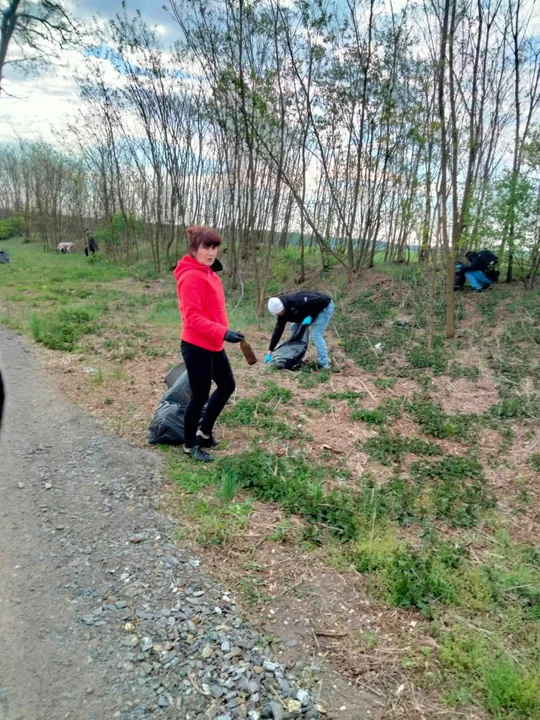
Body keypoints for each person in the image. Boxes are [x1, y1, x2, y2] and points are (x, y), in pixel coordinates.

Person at [174, 226, 244, 462]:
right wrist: (224, 332)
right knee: (200, 396)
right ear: (194, 248)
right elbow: (191, 318)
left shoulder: (208, 273)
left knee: (227, 386)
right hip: (196, 346)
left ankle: (204, 432)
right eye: (206, 247)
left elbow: (213, 309)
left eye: (215, 247)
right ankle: (189, 444)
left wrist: (223, 333)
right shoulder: (191, 276)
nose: (211, 252)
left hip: (213, 344)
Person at [266, 291, 334, 369]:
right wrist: (270, 351)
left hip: (323, 308)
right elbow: (278, 331)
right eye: (277, 314)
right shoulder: (282, 315)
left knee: (316, 335)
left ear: (283, 307)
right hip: (307, 314)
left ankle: (324, 365)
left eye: (279, 313)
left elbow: (324, 300)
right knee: (294, 327)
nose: (279, 315)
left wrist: (311, 316)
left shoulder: (298, 298)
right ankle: (298, 355)